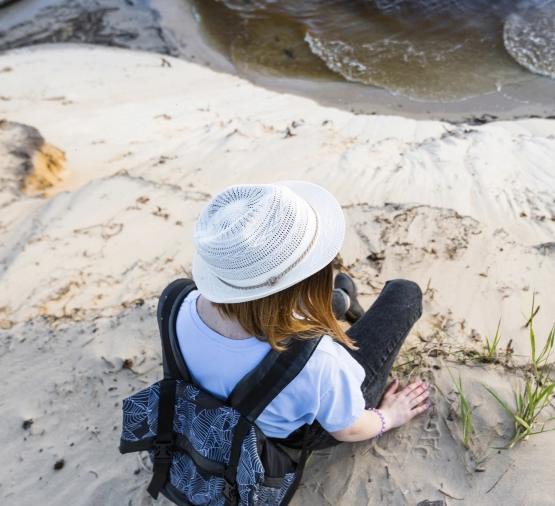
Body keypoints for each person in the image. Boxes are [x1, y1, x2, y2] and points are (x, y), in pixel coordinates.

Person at [181, 180, 429, 450]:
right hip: (297, 433)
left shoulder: (177, 303)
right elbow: (348, 429)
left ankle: (341, 301)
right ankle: (340, 301)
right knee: (404, 293)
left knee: (278, 308)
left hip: (240, 407)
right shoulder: (319, 360)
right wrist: (389, 416)